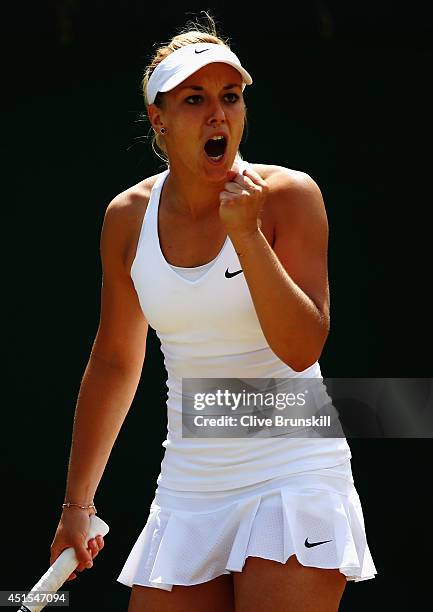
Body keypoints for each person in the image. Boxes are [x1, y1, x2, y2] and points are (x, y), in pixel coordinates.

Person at [49, 16, 377, 612]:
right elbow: (116, 360)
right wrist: (78, 506)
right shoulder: (126, 219)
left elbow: (303, 346)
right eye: (194, 99)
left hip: (294, 470)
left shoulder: (289, 197)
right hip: (189, 485)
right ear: (159, 119)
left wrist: (246, 237)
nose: (217, 115)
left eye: (230, 97)